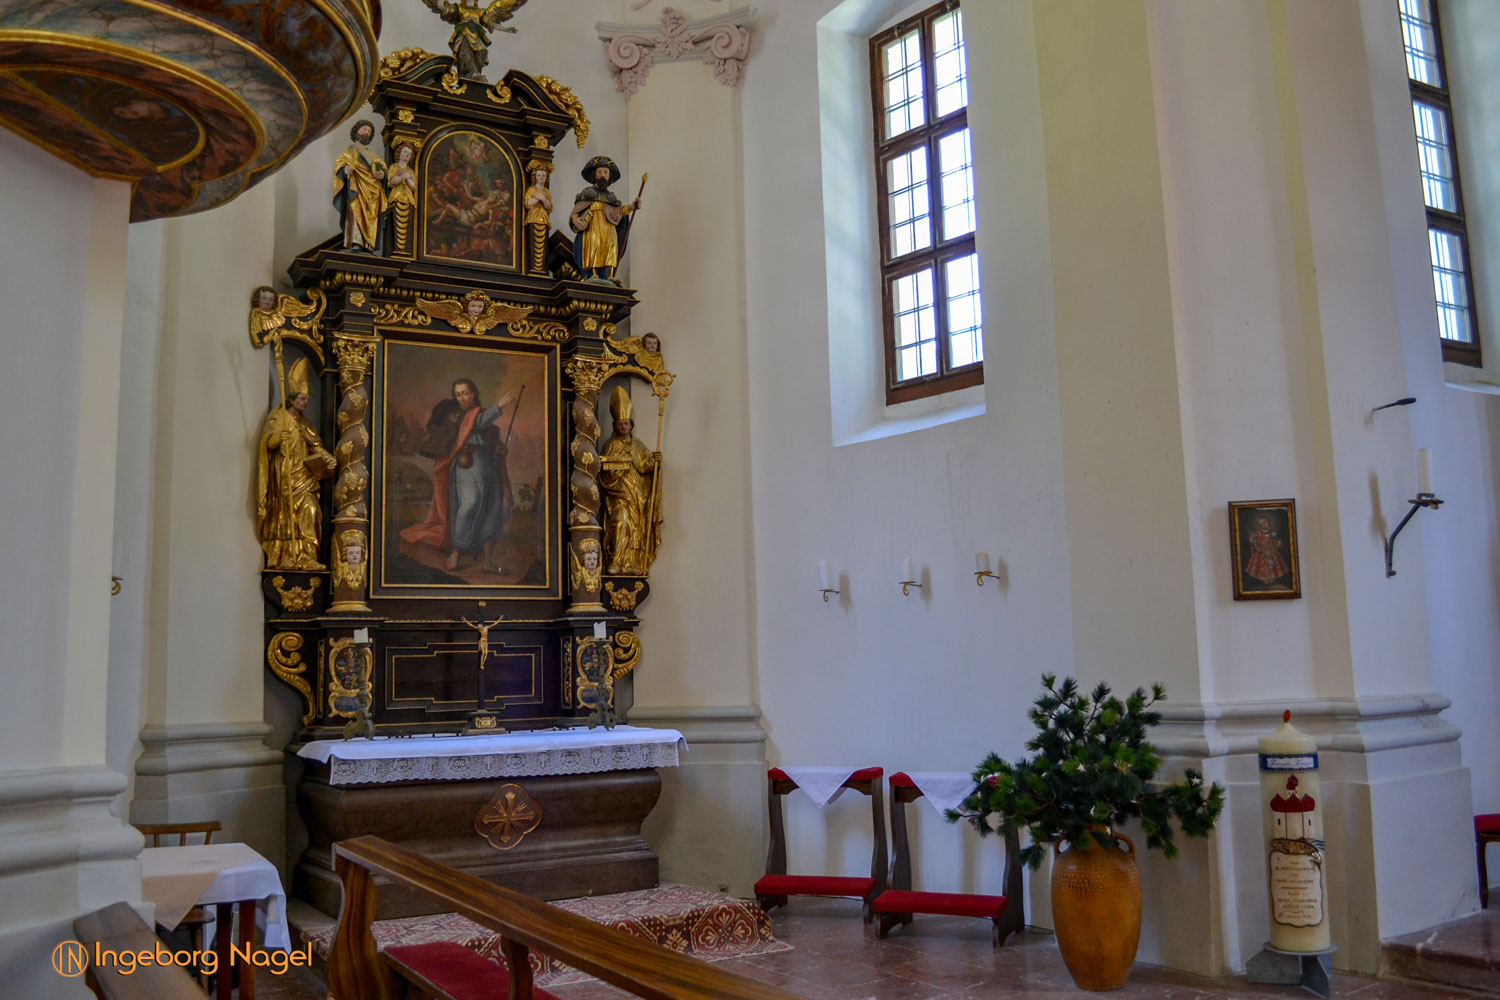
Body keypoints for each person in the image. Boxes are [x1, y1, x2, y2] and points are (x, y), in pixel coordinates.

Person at [400, 378, 517, 573]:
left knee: (494, 507)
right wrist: (498, 405)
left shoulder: (480, 416)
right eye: (458, 394)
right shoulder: (462, 416)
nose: (462, 398)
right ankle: (456, 552)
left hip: (489, 466)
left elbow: (490, 439)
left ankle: (488, 561)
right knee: (470, 503)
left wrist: (499, 449)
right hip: (467, 465)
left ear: (473, 394)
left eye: (465, 393)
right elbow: (479, 421)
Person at [256, 358, 336, 570]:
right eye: (302, 399)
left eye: (307, 399)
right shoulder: (278, 417)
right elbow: (267, 443)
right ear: (291, 399)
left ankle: (307, 556)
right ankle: (285, 556)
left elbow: (315, 445)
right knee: (284, 516)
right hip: (283, 475)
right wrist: (277, 438)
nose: (306, 402)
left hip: (304, 477)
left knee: (310, 510)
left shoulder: (306, 423)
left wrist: (327, 458)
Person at [599, 386, 661, 575]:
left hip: (637, 495)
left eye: (626, 423)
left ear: (631, 425)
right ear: (615, 426)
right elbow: (603, 473)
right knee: (621, 522)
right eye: (620, 424)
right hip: (619, 495)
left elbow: (646, 467)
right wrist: (614, 473)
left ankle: (631, 563)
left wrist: (655, 461)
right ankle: (616, 560)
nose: (623, 427)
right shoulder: (611, 445)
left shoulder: (638, 445)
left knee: (636, 527)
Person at [569, 156, 640, 283]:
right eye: (600, 172)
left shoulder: (611, 198)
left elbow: (618, 212)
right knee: (594, 246)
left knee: (611, 247)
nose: (603, 175)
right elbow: (576, 212)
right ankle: (593, 273)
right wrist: (576, 221)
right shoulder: (587, 193)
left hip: (608, 226)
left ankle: (609, 275)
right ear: (594, 174)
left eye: (606, 172)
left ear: (609, 176)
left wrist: (632, 206)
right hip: (593, 226)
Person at [333, 119, 387, 251]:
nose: (367, 132)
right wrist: (344, 170)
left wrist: (382, 174)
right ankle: (356, 241)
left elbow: (382, 169)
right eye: (364, 129)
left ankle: (369, 245)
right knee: (355, 211)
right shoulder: (350, 151)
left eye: (369, 131)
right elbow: (340, 163)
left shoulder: (373, 155)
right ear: (356, 131)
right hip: (356, 186)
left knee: (371, 216)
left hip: (373, 191)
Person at [1244, 514, 1289, 585]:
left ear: (1269, 522)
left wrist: (1278, 543)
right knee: (1262, 566)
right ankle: (1265, 579)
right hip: (1261, 552)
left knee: (1273, 565)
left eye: (1264, 522)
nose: (1263, 525)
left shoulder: (1273, 533)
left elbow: (1277, 541)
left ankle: (1272, 578)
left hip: (1272, 551)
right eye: (1260, 524)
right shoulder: (1257, 534)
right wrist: (1252, 541)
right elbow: (1254, 543)